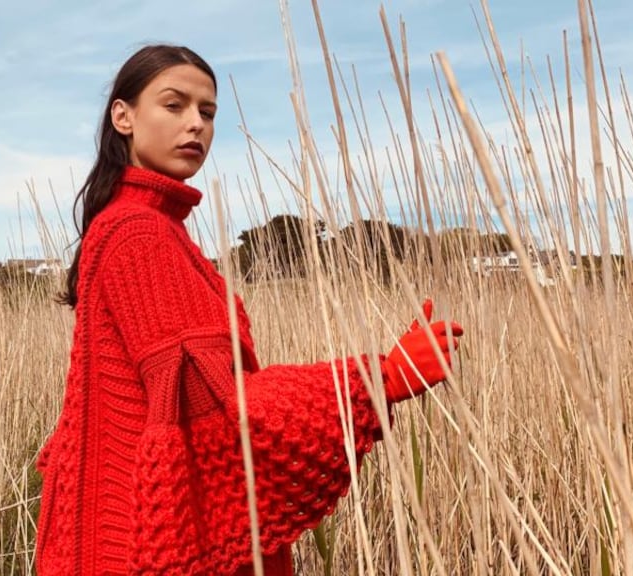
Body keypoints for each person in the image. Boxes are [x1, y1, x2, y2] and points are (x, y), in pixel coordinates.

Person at [35, 44, 464, 576]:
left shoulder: (142, 226)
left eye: (207, 111)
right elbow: (217, 405)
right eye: (174, 105)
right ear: (123, 116)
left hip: (116, 530)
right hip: (137, 544)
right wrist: (381, 379)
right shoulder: (139, 234)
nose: (196, 124)